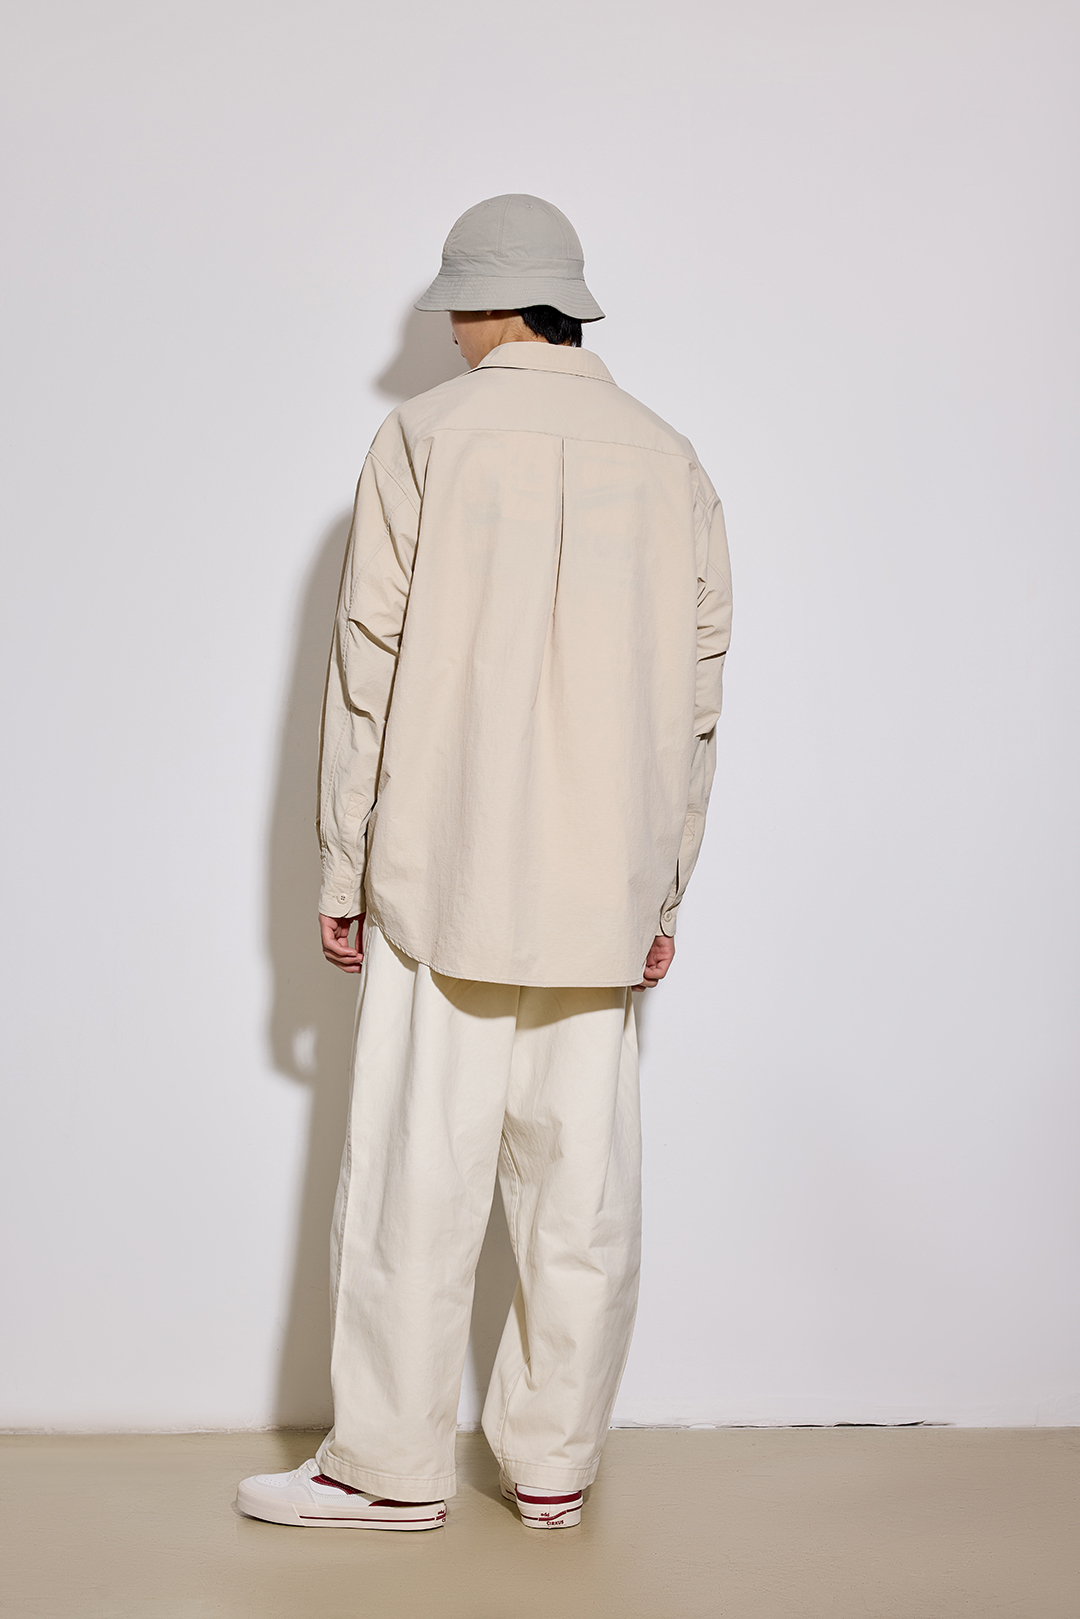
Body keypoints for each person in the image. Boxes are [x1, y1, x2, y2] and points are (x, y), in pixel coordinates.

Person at [237, 194, 732, 1532]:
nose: (449, 331)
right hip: (601, 889)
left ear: (490, 304)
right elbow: (698, 698)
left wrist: (344, 868)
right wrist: (664, 886)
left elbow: (368, 667)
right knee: (582, 1190)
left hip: (438, 874)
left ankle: (387, 1470)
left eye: (456, 307)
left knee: (417, 1174)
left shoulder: (425, 437)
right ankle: (555, 1465)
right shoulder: (669, 457)